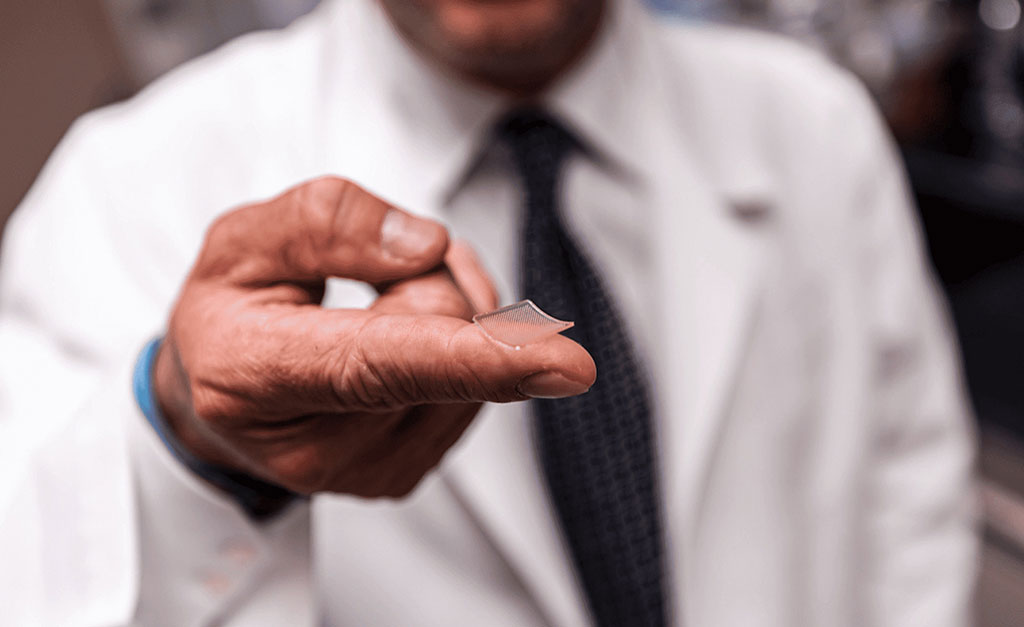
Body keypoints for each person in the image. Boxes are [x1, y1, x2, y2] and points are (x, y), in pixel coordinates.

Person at [0, 0, 977, 625]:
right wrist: (193, 442)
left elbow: (911, 502)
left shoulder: (815, 127)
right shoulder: (126, 185)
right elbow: (38, 568)